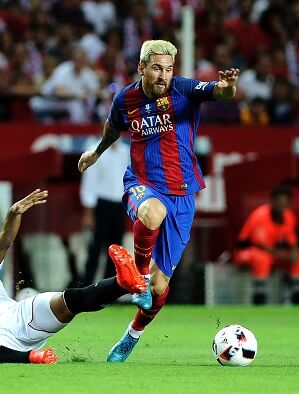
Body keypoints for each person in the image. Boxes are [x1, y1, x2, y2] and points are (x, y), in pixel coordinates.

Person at [77, 39, 240, 362]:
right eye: (156, 68)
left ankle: (132, 335)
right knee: (152, 213)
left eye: (168, 69)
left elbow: (219, 93)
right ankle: (137, 278)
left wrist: (228, 87)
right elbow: (113, 127)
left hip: (183, 195)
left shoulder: (184, 89)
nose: (164, 75)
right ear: (141, 68)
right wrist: (96, 152)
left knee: (161, 286)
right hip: (142, 182)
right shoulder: (126, 98)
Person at [0, 189, 146, 363]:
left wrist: (12, 215)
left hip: (19, 316)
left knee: (69, 300)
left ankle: (122, 283)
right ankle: (29, 357)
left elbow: (4, 240)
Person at [233, 184, 299, 305]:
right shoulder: (260, 215)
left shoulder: (289, 216)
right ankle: (260, 299)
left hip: (274, 255)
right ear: (272, 201)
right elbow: (260, 245)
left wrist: (295, 252)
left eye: (285, 202)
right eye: (279, 201)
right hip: (247, 252)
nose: (281, 205)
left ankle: (298, 300)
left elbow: (292, 241)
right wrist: (285, 256)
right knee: (261, 258)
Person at [79, 138, 130, 285]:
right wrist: (89, 213)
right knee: (95, 248)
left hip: (119, 205)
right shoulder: (94, 150)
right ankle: (87, 285)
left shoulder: (124, 152)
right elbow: (89, 183)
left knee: (116, 250)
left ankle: (110, 287)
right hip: (101, 205)